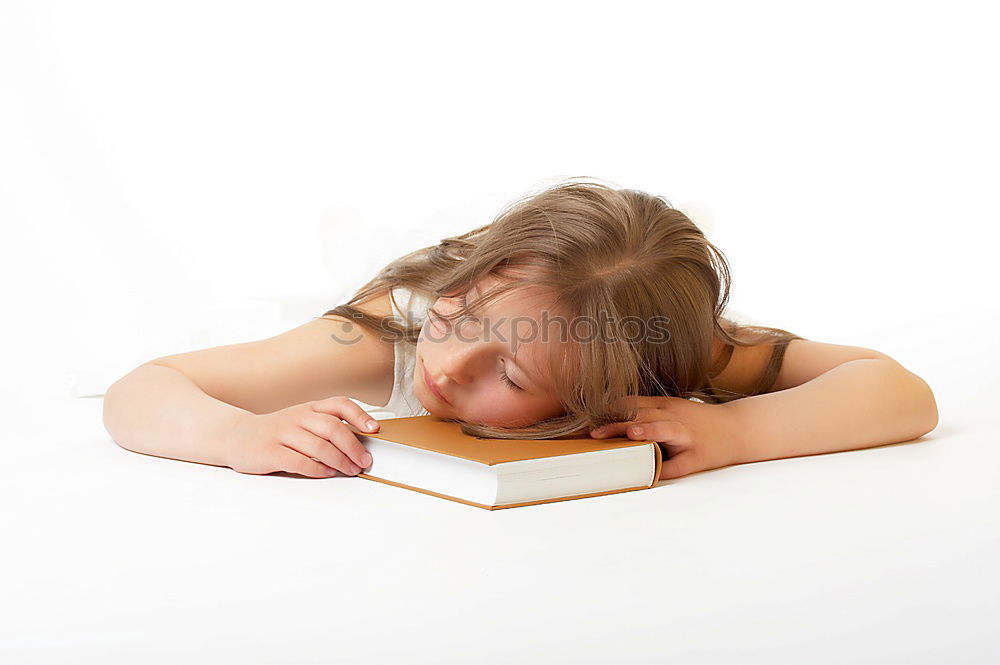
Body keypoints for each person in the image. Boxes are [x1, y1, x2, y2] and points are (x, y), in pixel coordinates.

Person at [103, 177, 939, 481]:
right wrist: (236, 435)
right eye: (462, 320)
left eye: (510, 376)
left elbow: (901, 391)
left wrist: (737, 427)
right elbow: (143, 387)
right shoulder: (391, 333)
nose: (449, 367)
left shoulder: (681, 350)